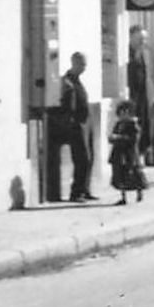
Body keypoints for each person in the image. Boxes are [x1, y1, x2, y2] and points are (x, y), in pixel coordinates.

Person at [60, 51, 96, 202]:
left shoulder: (77, 81)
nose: (84, 68)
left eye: (85, 65)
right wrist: (72, 121)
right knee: (82, 159)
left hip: (85, 122)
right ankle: (76, 192)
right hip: (76, 124)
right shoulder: (67, 81)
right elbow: (67, 104)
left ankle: (85, 189)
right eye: (82, 64)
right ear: (74, 63)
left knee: (89, 157)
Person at [107, 99, 147, 205]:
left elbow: (133, 139)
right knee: (121, 175)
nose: (123, 115)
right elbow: (112, 136)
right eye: (121, 113)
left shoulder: (133, 125)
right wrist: (112, 138)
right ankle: (123, 196)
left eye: (126, 112)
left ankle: (139, 193)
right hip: (119, 154)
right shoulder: (118, 124)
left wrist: (119, 138)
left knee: (134, 174)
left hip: (130, 154)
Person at [127, 26, 154, 165]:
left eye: (145, 39)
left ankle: (143, 155)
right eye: (140, 39)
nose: (143, 42)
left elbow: (148, 75)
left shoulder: (145, 53)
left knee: (145, 125)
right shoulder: (126, 53)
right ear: (131, 37)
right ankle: (135, 158)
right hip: (132, 97)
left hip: (144, 96)